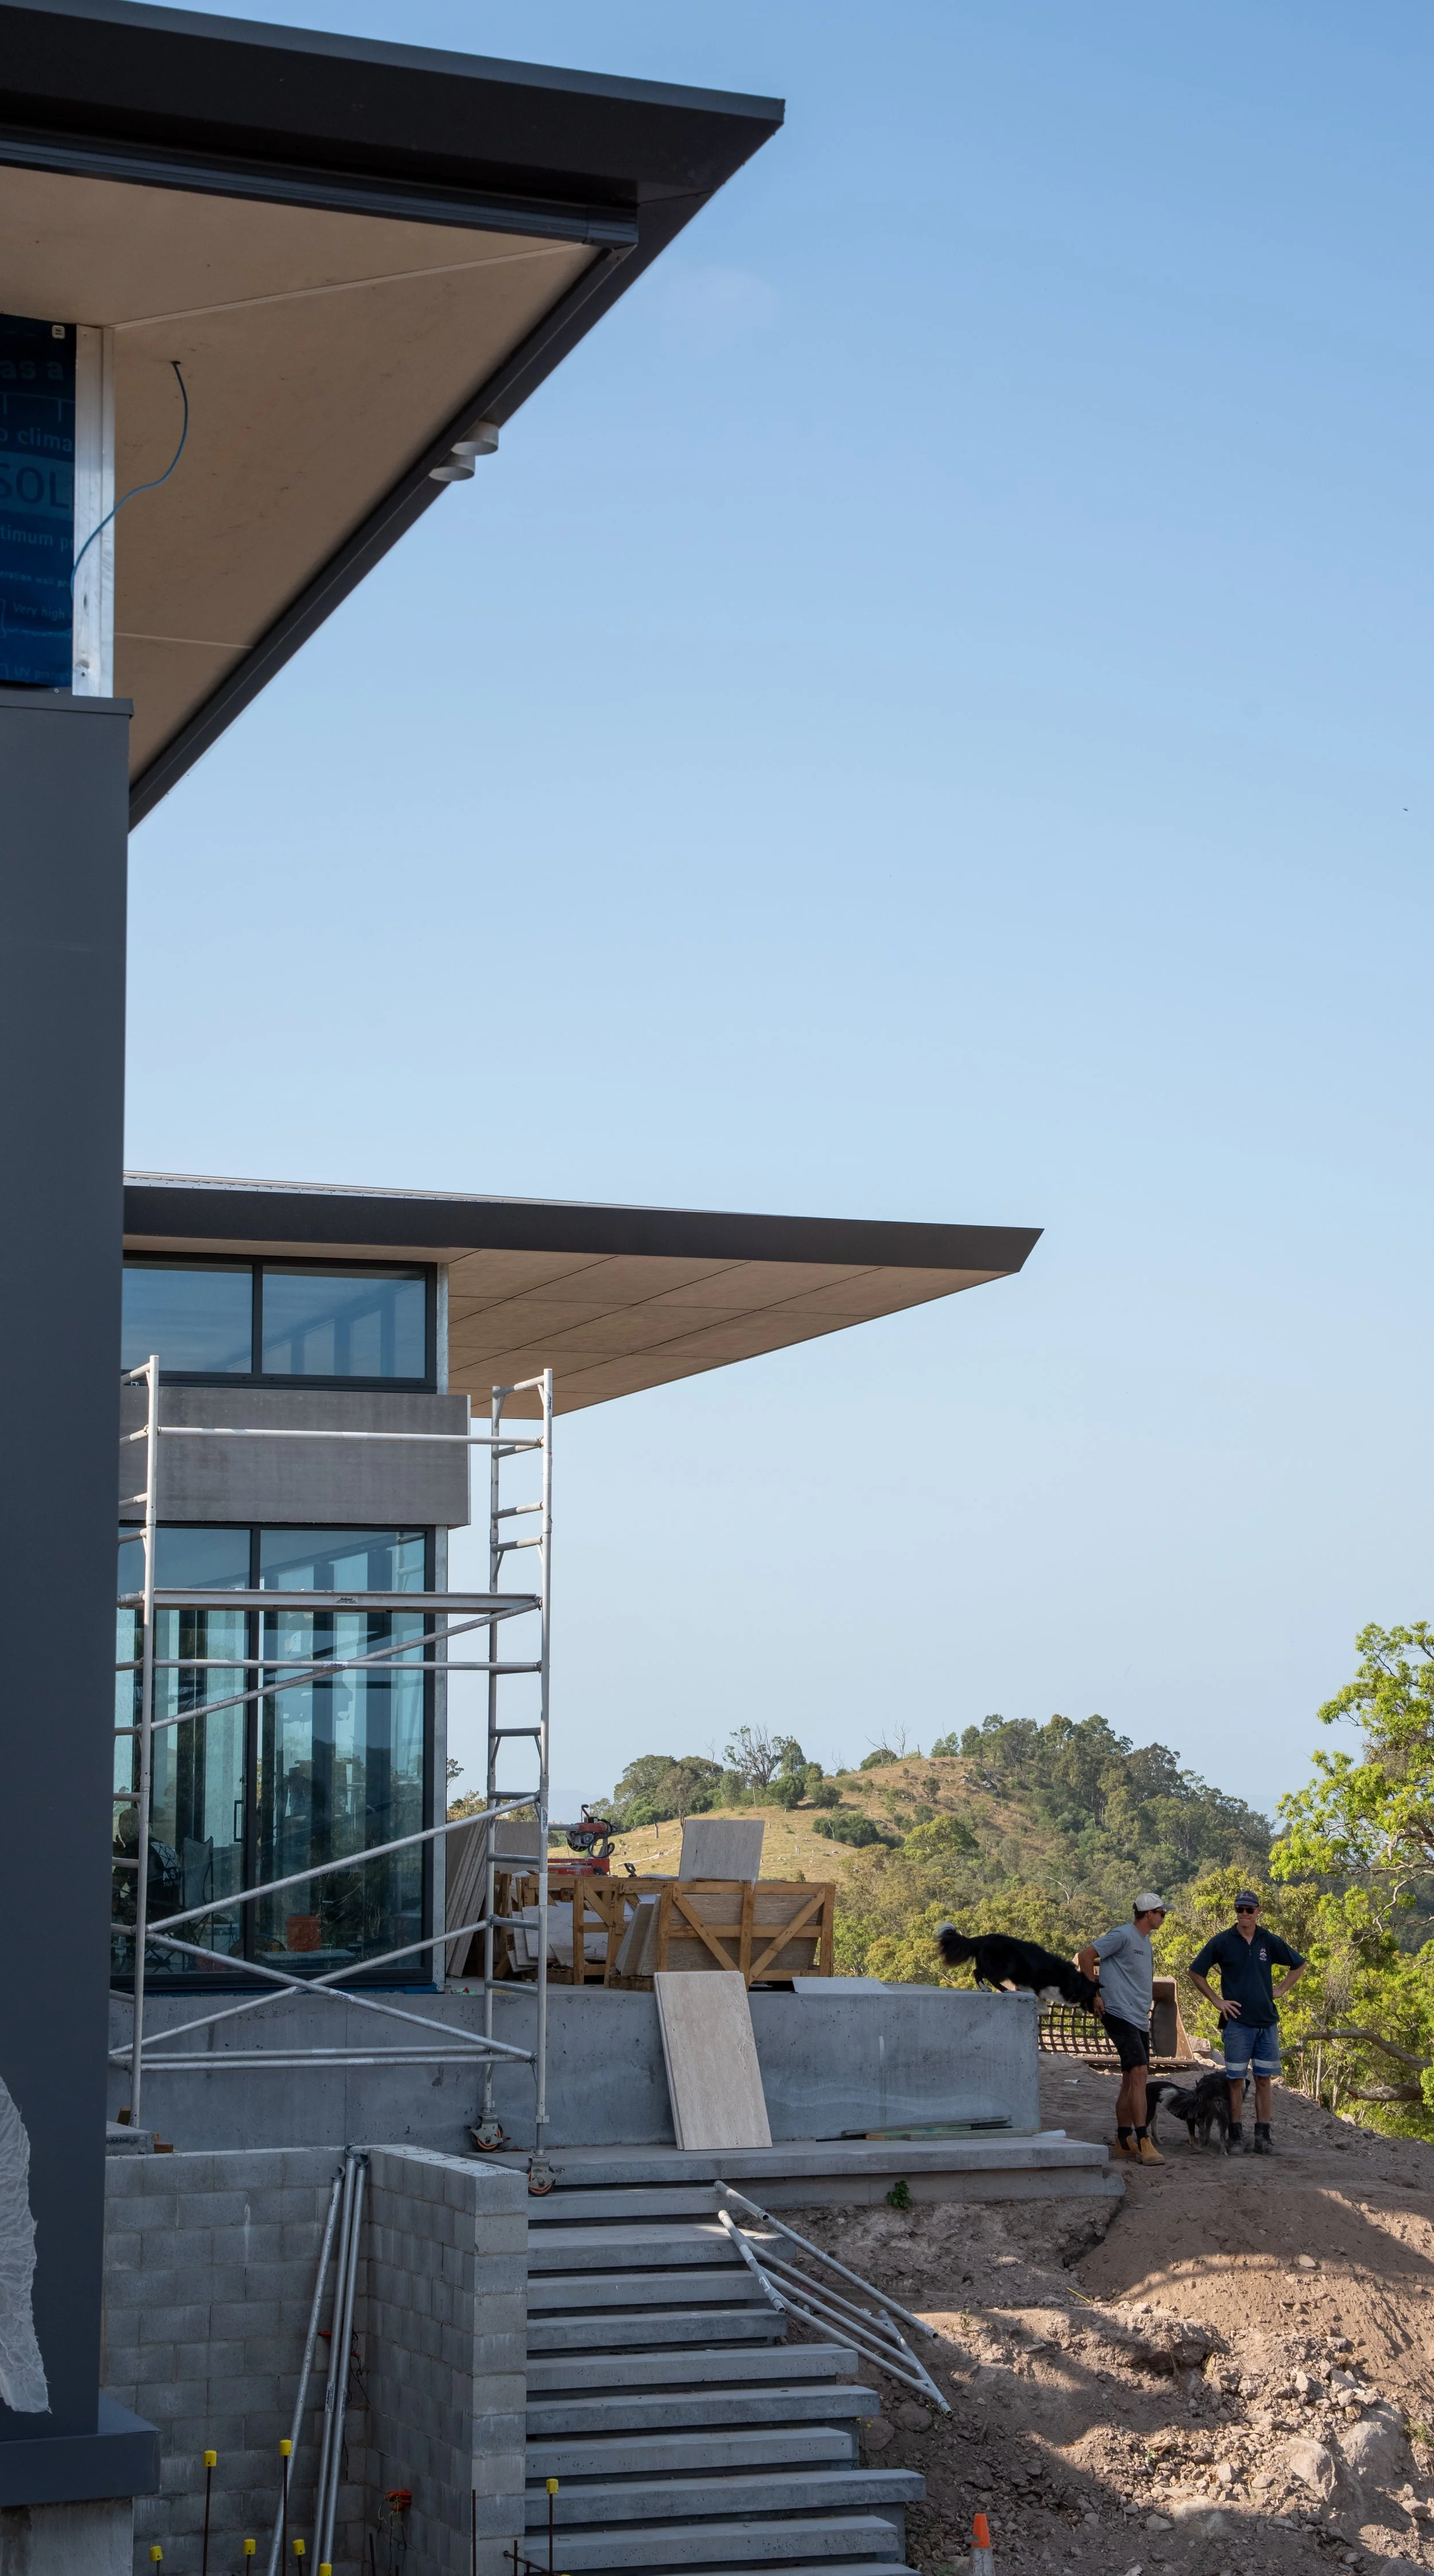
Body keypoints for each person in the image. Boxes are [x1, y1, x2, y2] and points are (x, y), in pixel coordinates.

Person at [1187, 1890, 1306, 2155]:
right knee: (1235, 2080)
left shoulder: (1268, 1941)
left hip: (1266, 2022)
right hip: (1237, 2024)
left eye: (1249, 1910)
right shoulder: (1222, 1941)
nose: (1244, 1914)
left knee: (1264, 2079)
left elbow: (1298, 1964)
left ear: (1258, 1911)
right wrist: (1217, 2001)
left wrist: (1282, 1989)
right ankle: (1236, 2137)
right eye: (1240, 1909)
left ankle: (1263, 2138)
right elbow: (1196, 1971)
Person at [1077, 1893, 1169, 2166]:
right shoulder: (1123, 1935)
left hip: (1138, 2017)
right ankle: (1143, 2141)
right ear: (1149, 1914)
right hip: (1118, 2013)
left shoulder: (1145, 1942)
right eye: (1162, 1912)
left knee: (1131, 2079)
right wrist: (1093, 1994)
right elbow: (1085, 1955)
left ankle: (1122, 2140)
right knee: (1141, 2073)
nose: (1164, 1917)